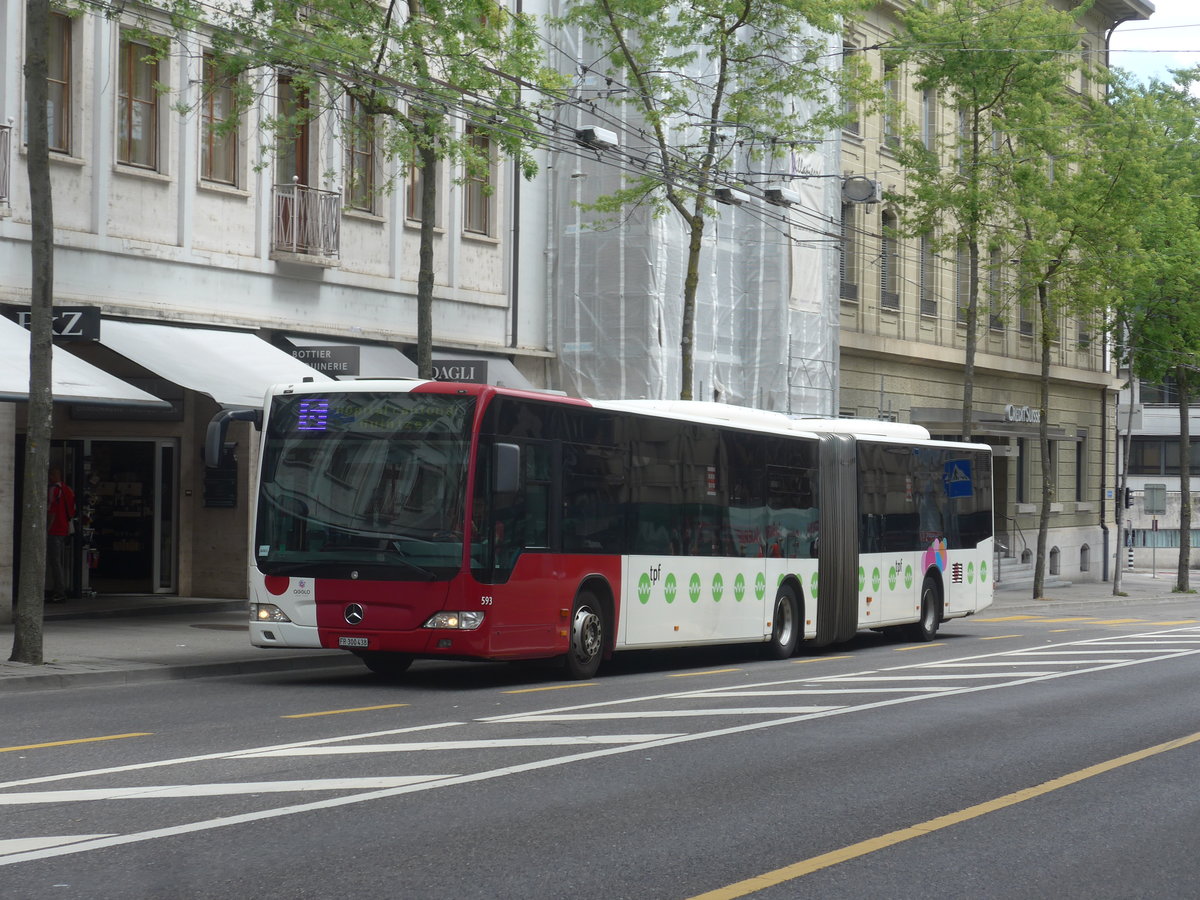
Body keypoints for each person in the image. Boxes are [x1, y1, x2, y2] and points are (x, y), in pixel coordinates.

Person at [47, 467, 76, 602]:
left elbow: (51, 511)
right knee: (58, 561)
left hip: (55, 529)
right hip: (64, 529)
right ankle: (59, 589)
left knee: (55, 561)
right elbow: (73, 510)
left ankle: (59, 591)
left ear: (53, 476)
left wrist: (47, 528)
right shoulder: (68, 490)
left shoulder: (54, 490)